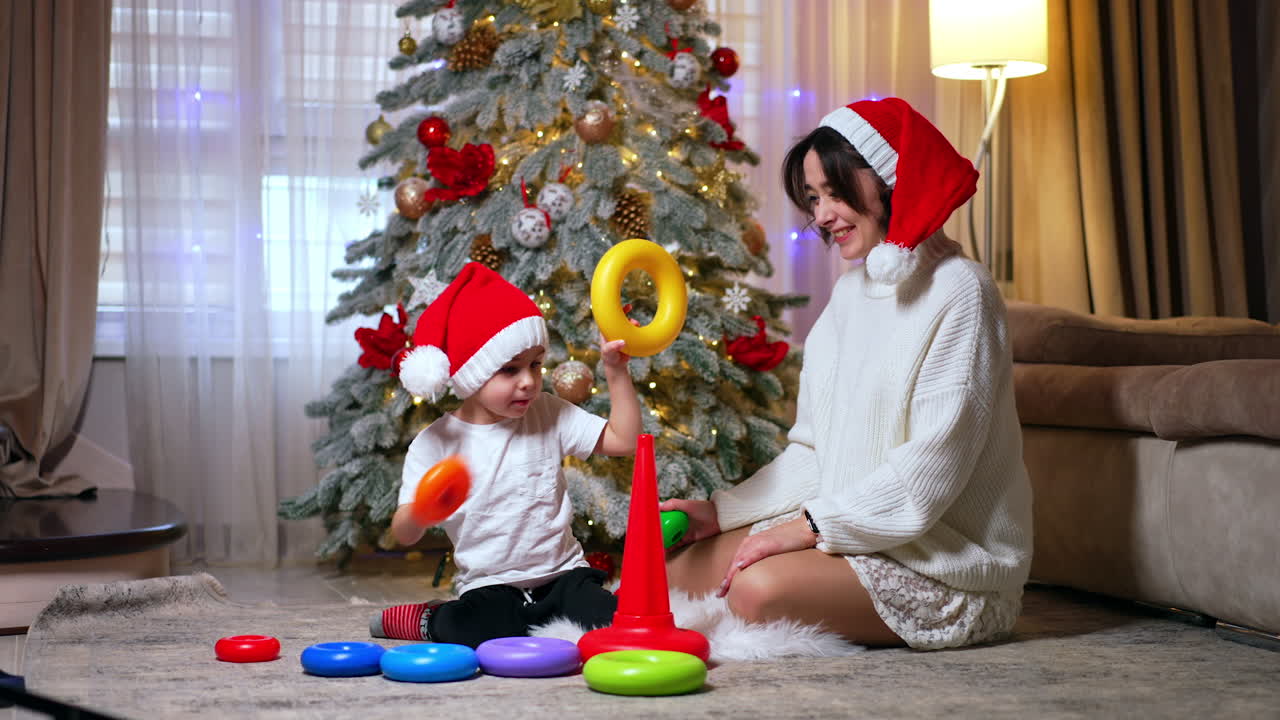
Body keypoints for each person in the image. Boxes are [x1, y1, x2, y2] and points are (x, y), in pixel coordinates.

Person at [660, 97, 1033, 650]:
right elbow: (814, 452)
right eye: (813, 199)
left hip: (946, 562)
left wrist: (809, 528)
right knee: (676, 572)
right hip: (850, 533)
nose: (822, 215)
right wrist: (721, 514)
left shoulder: (962, 291)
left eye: (835, 193)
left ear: (887, 181)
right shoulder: (849, 294)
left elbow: (929, 472)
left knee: (755, 590)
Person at [370, 262, 640, 648]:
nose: (528, 381)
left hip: (563, 576)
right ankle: (428, 618)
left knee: (614, 621)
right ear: (471, 374)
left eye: (535, 365)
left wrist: (616, 372)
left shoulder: (547, 411)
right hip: (490, 585)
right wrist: (421, 512)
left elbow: (623, 440)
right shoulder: (436, 442)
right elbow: (403, 533)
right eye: (509, 370)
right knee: (472, 631)